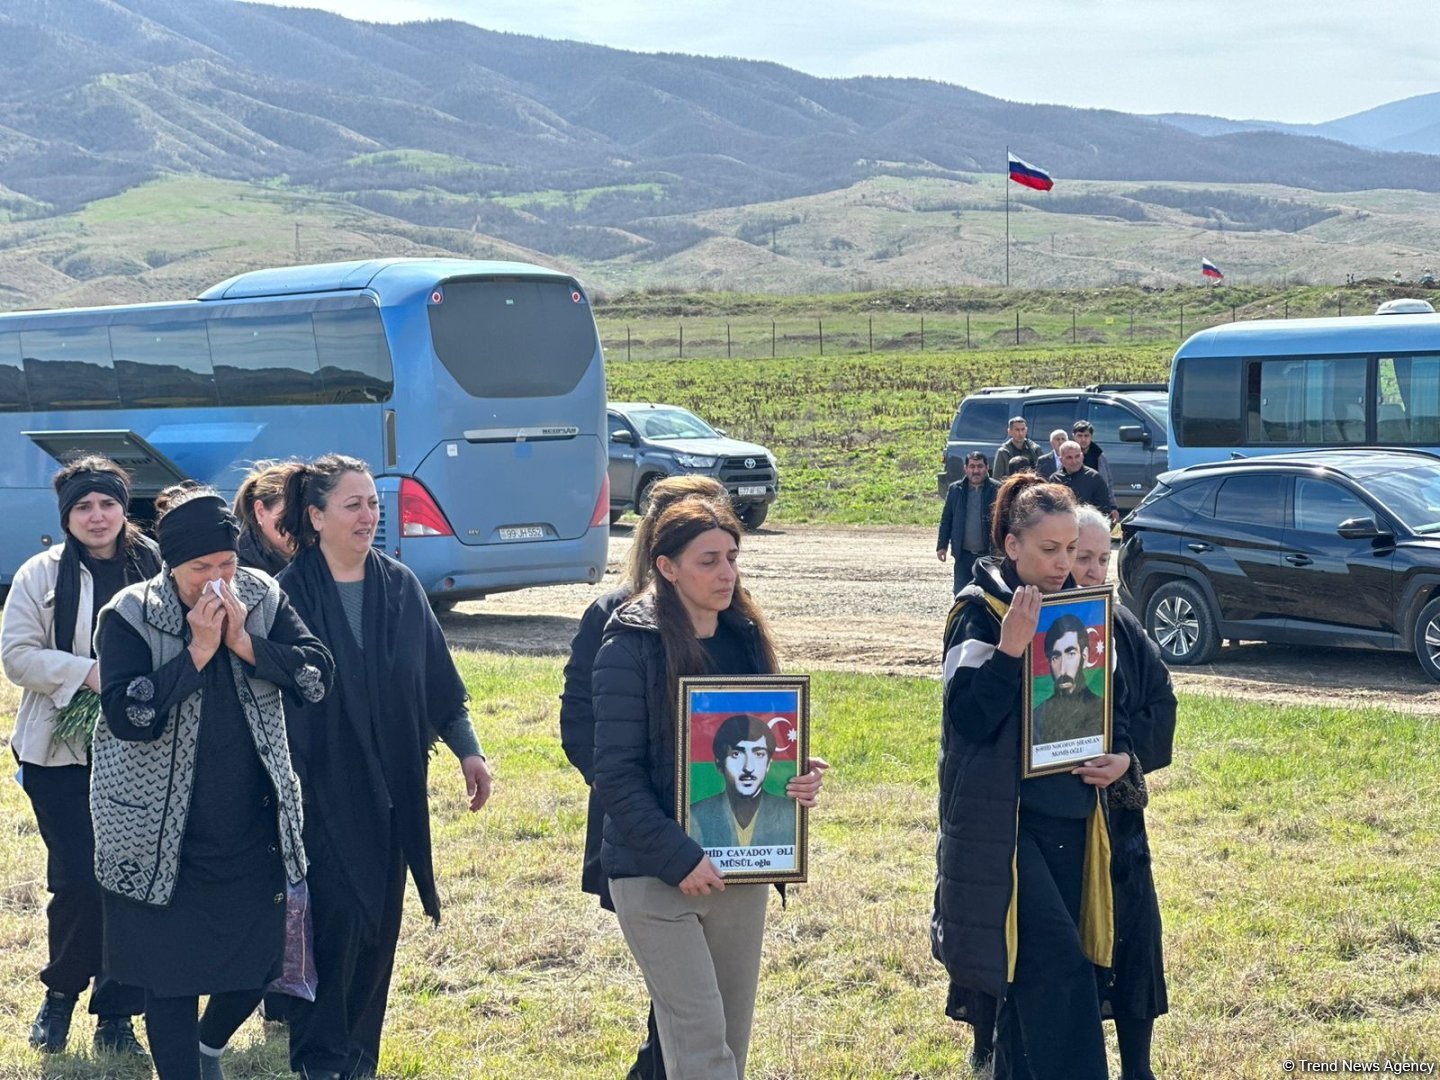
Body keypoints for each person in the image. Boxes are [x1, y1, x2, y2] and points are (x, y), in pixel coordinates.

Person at [91, 485, 333, 1080]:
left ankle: (208, 1046)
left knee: (258, 962)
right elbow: (128, 715)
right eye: (202, 569)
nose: (220, 580)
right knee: (168, 978)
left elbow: (315, 674)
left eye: (228, 563)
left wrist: (246, 643)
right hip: (155, 838)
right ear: (173, 566)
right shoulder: (129, 614)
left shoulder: (261, 595)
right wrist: (197, 653)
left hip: (252, 826)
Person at [592, 497, 826, 1080]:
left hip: (737, 873)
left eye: (732, 558)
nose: (727, 574)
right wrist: (679, 856)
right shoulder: (627, 648)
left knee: (728, 1045)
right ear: (667, 567)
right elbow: (615, 776)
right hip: (655, 875)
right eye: (709, 561)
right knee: (700, 1045)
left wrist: (793, 778)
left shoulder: (745, 639)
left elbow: (764, 749)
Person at [276, 454, 493, 1080]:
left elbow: (437, 682)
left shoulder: (400, 587)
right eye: (353, 505)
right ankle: (320, 1058)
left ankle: (360, 1059)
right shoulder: (287, 595)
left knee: (378, 927)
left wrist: (469, 750)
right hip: (320, 793)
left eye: (374, 503)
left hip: (394, 792)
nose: (369, 516)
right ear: (316, 517)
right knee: (334, 923)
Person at [933, 472, 1131, 1080]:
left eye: (1071, 549)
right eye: (1049, 549)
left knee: (1042, 979)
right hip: (1007, 824)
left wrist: (1120, 757)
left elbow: (1111, 705)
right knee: (1056, 968)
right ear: (1012, 545)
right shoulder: (977, 613)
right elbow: (967, 721)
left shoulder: (1081, 610)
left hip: (1073, 813)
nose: (1063, 562)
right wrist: (1012, 650)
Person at [559, 474, 730, 1080]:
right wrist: (647, 805)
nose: (724, 567)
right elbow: (584, 733)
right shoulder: (615, 620)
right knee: (686, 1011)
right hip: (643, 833)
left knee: (694, 1017)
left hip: (720, 848)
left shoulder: (734, 624)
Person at [1, 455, 161, 1058]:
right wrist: (90, 674)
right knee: (78, 880)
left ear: (124, 507)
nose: (97, 517)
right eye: (83, 507)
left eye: (108, 504)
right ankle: (62, 993)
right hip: (58, 752)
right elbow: (17, 656)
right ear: (67, 516)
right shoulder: (39, 575)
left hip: (141, 749)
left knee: (129, 882)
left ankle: (117, 1012)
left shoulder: (156, 568)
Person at [1073, 508, 1175, 1080]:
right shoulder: (1044, 626)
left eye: (1099, 558)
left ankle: (1139, 1068)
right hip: (1059, 820)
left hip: (1121, 818)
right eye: (1079, 557)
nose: (1090, 570)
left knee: (1135, 941)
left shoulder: (1125, 626)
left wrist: (1127, 763)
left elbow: (1162, 705)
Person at [687, 714, 796, 849]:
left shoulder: (791, 813)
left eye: (759, 754)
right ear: (719, 764)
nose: (748, 767)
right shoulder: (694, 815)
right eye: (736, 754)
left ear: (768, 764)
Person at [1031, 614, 1103, 745]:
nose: (1063, 669)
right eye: (1055, 657)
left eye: (1071, 654)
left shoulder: (1103, 709)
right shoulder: (1036, 717)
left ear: (1085, 656)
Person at [936, 452, 999, 596]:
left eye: (980, 466)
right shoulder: (955, 490)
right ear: (965, 468)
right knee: (961, 594)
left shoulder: (997, 489)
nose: (976, 471)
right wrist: (942, 546)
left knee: (989, 595)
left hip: (988, 556)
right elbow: (947, 519)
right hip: (963, 556)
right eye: (972, 466)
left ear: (987, 467)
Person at [234, 460, 302, 576]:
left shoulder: (321, 558)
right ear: (260, 511)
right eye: (287, 518)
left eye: (307, 517)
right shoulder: (235, 568)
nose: (299, 527)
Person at [1049, 440, 1118, 521]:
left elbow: (1104, 511)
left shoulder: (1094, 478)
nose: (1074, 461)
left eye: (1077, 456)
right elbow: (1050, 509)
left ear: (1082, 456)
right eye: (1069, 458)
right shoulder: (1055, 480)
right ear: (1061, 460)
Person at [1071, 421, 1118, 518]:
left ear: (1091, 437)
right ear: (1073, 436)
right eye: (1079, 436)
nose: (1083, 439)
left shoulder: (1099, 456)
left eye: (1086, 436)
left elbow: (1107, 483)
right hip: (1074, 507)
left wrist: (1113, 506)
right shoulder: (1068, 455)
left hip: (1096, 506)